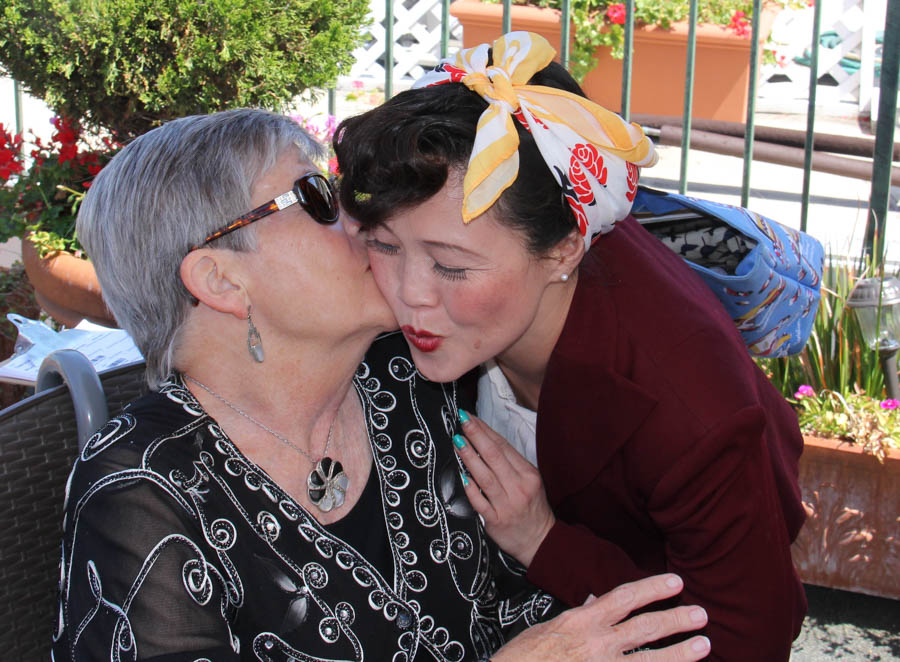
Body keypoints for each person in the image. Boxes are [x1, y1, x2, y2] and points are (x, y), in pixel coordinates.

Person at [52, 108, 712, 661]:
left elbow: (520, 600)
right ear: (220, 281)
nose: (365, 218)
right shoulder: (143, 492)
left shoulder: (408, 376)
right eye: (316, 198)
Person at [334, 31, 808, 662]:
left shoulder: (689, 412)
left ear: (563, 251)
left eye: (450, 267)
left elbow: (741, 640)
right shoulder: (538, 228)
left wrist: (546, 542)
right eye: (384, 245)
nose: (409, 295)